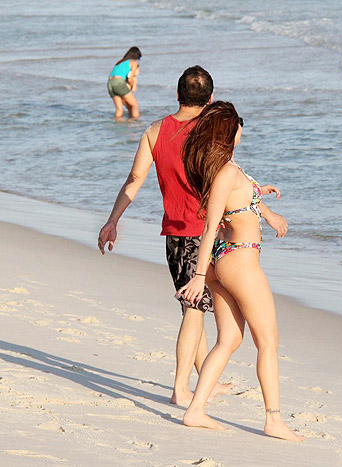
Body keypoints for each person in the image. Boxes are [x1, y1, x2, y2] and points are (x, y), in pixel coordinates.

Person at [97, 66, 287, 407]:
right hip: (211, 234)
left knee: (195, 309)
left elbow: (134, 179)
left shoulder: (155, 132)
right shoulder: (212, 132)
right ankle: (182, 388)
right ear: (211, 99)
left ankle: (203, 382)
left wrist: (112, 222)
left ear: (177, 94)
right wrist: (266, 210)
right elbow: (232, 182)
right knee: (195, 311)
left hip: (174, 235)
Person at [178, 101, 304, 442]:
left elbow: (240, 200)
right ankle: (274, 420)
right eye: (239, 123)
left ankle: (195, 410)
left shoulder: (228, 168)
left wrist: (265, 207)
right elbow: (208, 228)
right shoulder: (226, 172)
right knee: (269, 341)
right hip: (240, 262)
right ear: (229, 131)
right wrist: (199, 277)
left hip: (228, 260)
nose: (242, 129)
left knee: (230, 339)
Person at [107, 46, 141, 119]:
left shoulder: (120, 62)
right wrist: (132, 85)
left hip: (110, 83)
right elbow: (130, 79)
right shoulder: (133, 62)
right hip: (118, 82)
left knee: (119, 110)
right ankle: (135, 123)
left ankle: (117, 125)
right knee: (134, 105)